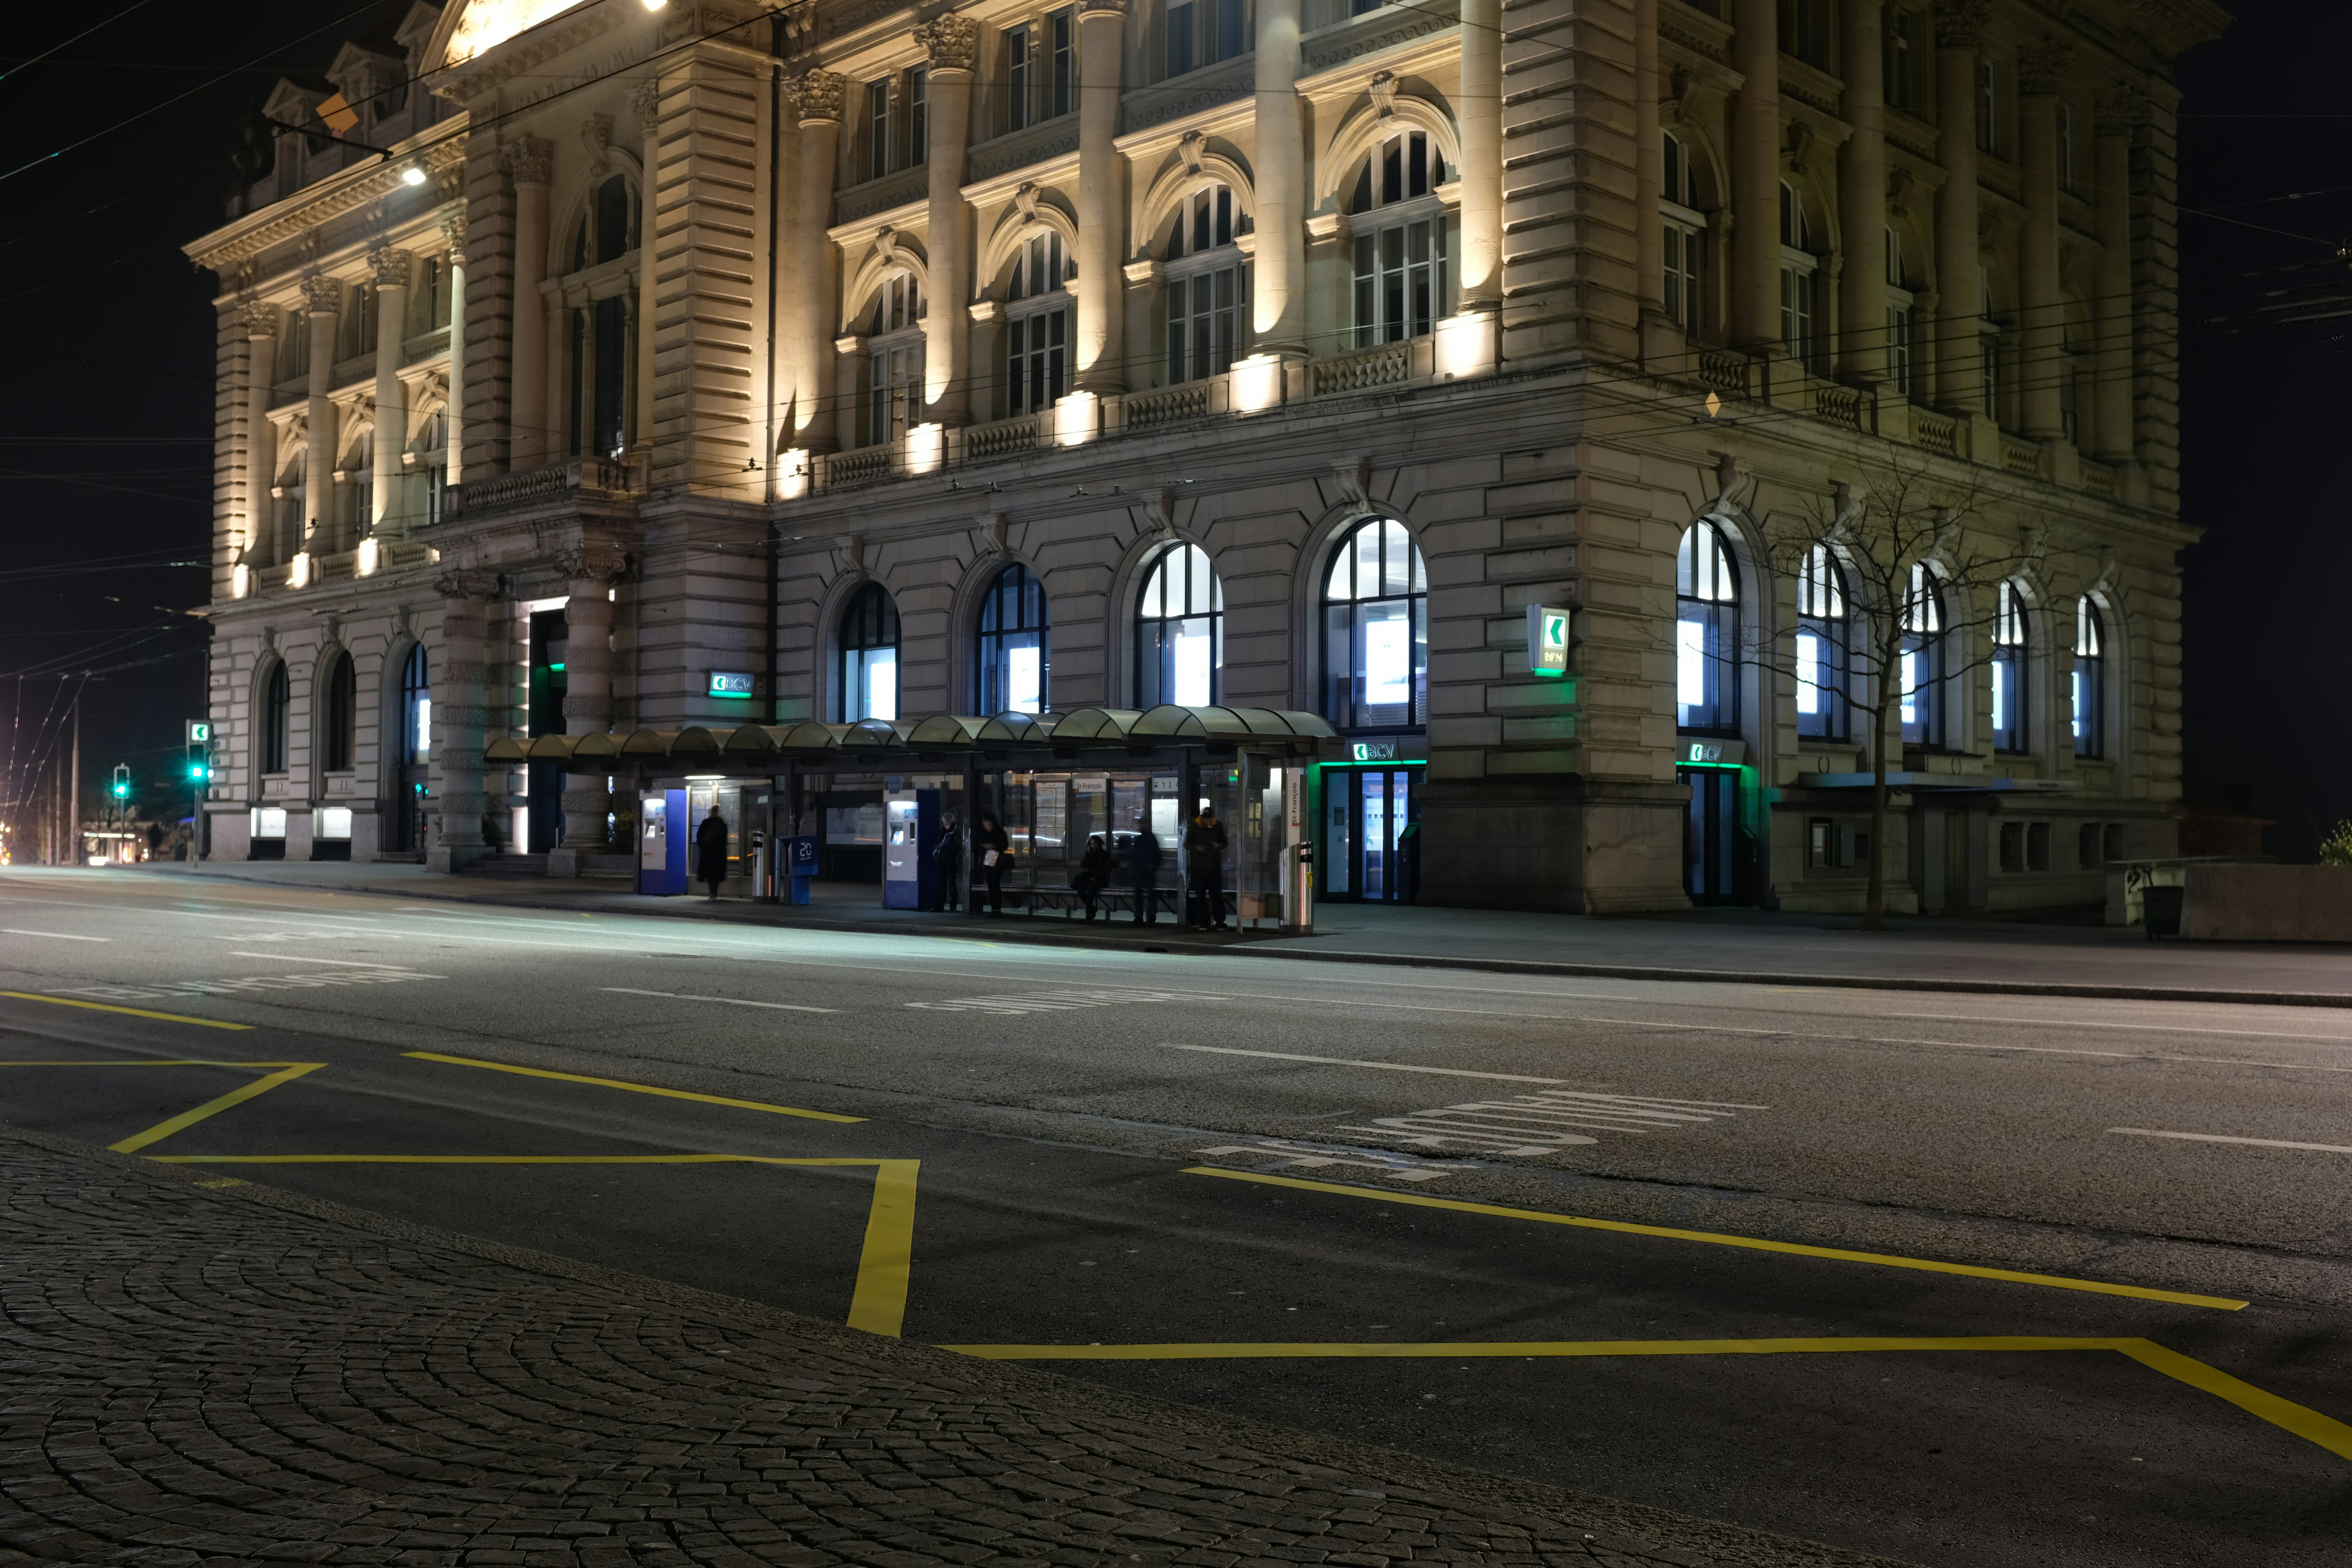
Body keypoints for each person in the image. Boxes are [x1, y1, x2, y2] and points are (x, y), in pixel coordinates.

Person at [1185, 804, 1230, 931]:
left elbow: (1224, 842)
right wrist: (1197, 848)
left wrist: (1217, 846)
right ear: (1202, 817)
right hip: (1199, 868)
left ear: (1212, 818)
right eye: (1205, 818)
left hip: (1214, 867)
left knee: (1217, 896)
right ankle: (1203, 922)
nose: (1207, 821)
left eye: (1209, 818)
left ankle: (1220, 922)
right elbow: (1188, 844)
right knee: (1201, 897)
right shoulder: (1194, 826)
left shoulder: (1217, 826)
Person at [1124, 814, 1162, 924]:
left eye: (1140, 824)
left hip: (1141, 872)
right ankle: (1150, 918)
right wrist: (1153, 868)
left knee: (1140, 895)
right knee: (1148, 895)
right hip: (1147, 872)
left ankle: (1140, 918)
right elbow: (1158, 856)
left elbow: (1134, 855)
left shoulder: (1141, 839)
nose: (1138, 826)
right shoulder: (1149, 838)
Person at [974, 809, 1010, 916]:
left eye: (988, 825)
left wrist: (993, 847)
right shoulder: (984, 833)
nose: (987, 827)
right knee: (990, 884)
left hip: (997, 857)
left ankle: (997, 909)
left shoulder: (999, 831)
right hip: (989, 857)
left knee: (995, 883)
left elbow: (1005, 845)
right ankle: (994, 909)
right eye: (985, 825)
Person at [1073, 834, 1112, 921]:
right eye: (1091, 844)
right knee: (1080, 889)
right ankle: (1092, 909)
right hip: (1090, 879)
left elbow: (1107, 869)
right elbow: (1083, 865)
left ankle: (1088, 912)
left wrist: (1097, 877)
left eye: (1095, 844)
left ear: (1099, 844)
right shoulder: (1091, 854)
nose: (1093, 846)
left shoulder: (1105, 854)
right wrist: (1089, 854)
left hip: (1101, 880)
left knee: (1091, 889)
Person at [694, 807, 730, 901]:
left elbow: (699, 838)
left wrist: (703, 846)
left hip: (707, 854)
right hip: (719, 855)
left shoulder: (705, 823)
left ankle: (712, 894)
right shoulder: (721, 824)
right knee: (716, 875)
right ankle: (714, 893)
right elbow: (724, 839)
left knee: (710, 875)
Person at [932, 812, 962, 912]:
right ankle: (940, 906)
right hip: (941, 860)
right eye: (944, 824)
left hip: (950, 861)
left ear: (951, 822)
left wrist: (944, 848)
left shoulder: (957, 832)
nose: (945, 826)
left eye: (946, 824)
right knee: (942, 883)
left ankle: (953, 906)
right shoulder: (943, 830)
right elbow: (937, 841)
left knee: (951, 884)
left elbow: (958, 847)